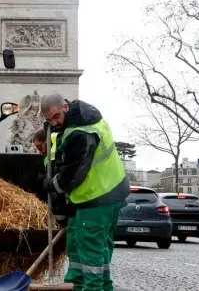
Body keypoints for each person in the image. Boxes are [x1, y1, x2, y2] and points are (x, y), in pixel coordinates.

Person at [39, 93, 129, 291]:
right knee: (98, 255)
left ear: (65, 107)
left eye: (56, 117)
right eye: (49, 120)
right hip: (110, 193)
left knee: (91, 260)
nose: (54, 123)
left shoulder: (80, 133)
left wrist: (51, 185)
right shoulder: (85, 118)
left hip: (96, 198)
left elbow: (72, 175)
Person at [32, 128, 73, 225]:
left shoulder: (53, 155)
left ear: (46, 141)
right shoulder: (56, 143)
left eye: (39, 147)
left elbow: (56, 188)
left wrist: (60, 218)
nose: (40, 152)